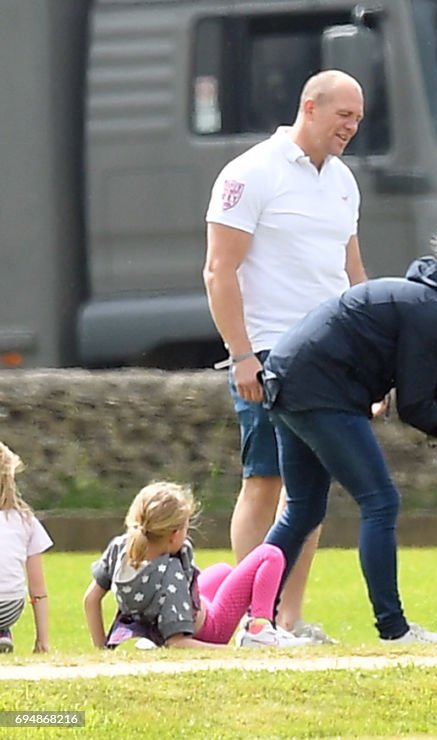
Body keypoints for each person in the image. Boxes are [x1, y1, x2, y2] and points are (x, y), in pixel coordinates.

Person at [261, 231, 437, 643]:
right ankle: (393, 629)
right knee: (380, 501)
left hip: (290, 379)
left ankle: (257, 625)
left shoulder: (433, 306)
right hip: (319, 389)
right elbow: (416, 406)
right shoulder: (434, 314)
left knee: (303, 510)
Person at [203, 69, 368, 643]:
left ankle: (290, 618)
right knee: (264, 480)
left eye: (358, 119)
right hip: (270, 351)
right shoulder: (252, 173)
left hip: (330, 356)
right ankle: (254, 617)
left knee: (309, 489)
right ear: (310, 106)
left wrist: (365, 356)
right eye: (344, 115)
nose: (352, 127)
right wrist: (242, 355)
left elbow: (351, 274)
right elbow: (219, 270)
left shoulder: (345, 182)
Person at [83, 481, 312, 649]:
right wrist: (230, 652)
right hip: (210, 629)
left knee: (224, 571)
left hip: (158, 620)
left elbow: (91, 599)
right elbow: (178, 643)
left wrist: (102, 648)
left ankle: (151, 639)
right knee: (270, 555)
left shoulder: (120, 548)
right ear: (174, 535)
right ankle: (259, 629)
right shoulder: (169, 574)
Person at [0, 442, 51, 654]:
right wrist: (42, 640)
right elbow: (38, 590)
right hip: (10, 606)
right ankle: (3, 633)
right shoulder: (25, 519)